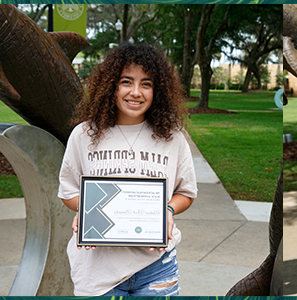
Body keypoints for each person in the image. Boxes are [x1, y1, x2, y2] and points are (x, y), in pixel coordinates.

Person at [58, 44, 198, 296]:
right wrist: (86, 209)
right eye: (126, 82)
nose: (136, 92)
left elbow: (186, 193)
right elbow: (68, 192)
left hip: (157, 267)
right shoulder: (83, 135)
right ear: (111, 85)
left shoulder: (172, 137)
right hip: (97, 269)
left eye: (146, 84)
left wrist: (167, 210)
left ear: (158, 90)